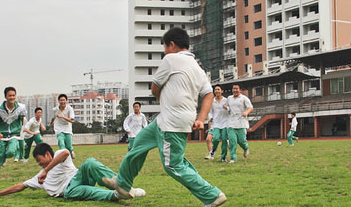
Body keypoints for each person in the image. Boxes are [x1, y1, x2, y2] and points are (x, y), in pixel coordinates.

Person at [108, 28, 227, 206]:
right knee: (139, 142)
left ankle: (212, 195)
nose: (164, 51)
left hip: (172, 121)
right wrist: (201, 119)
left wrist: (160, 95)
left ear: (172, 44)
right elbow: (208, 94)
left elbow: (154, 87)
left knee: (173, 165)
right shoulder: (198, 68)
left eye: (164, 46)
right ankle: (123, 184)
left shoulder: (170, 59)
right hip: (167, 119)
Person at [0, 143, 145, 201]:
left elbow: (65, 154)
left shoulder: (58, 155)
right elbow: (20, 186)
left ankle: (120, 184)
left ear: (47, 155)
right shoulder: (39, 177)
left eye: (39, 160)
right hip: (69, 190)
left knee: (89, 163)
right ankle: (116, 195)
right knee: (76, 191)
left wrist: (46, 171)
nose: (39, 165)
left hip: (79, 177)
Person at [0, 86, 28, 177]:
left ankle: (4, 158)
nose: (12, 97)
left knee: (11, 152)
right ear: (5, 97)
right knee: (0, 153)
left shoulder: (21, 108)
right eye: (10, 95)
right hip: (3, 135)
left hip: (14, 134)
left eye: (13, 95)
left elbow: (22, 119)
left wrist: (20, 130)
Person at [225, 84, 253, 163]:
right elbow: (227, 107)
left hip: (241, 122)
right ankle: (233, 158)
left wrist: (246, 112)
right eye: (234, 89)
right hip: (231, 122)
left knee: (241, 141)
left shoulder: (244, 98)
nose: (235, 90)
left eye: (237, 89)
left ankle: (246, 148)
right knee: (232, 141)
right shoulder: (229, 98)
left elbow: (250, 107)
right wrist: (226, 108)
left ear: (240, 90)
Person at [204, 86, 230, 161]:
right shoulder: (212, 101)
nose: (217, 91)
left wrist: (227, 108)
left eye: (218, 89)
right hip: (216, 123)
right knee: (215, 139)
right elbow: (210, 112)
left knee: (224, 140)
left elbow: (231, 110)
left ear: (222, 91)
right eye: (215, 90)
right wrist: (210, 117)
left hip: (225, 123)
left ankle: (223, 157)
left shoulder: (226, 100)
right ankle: (212, 152)